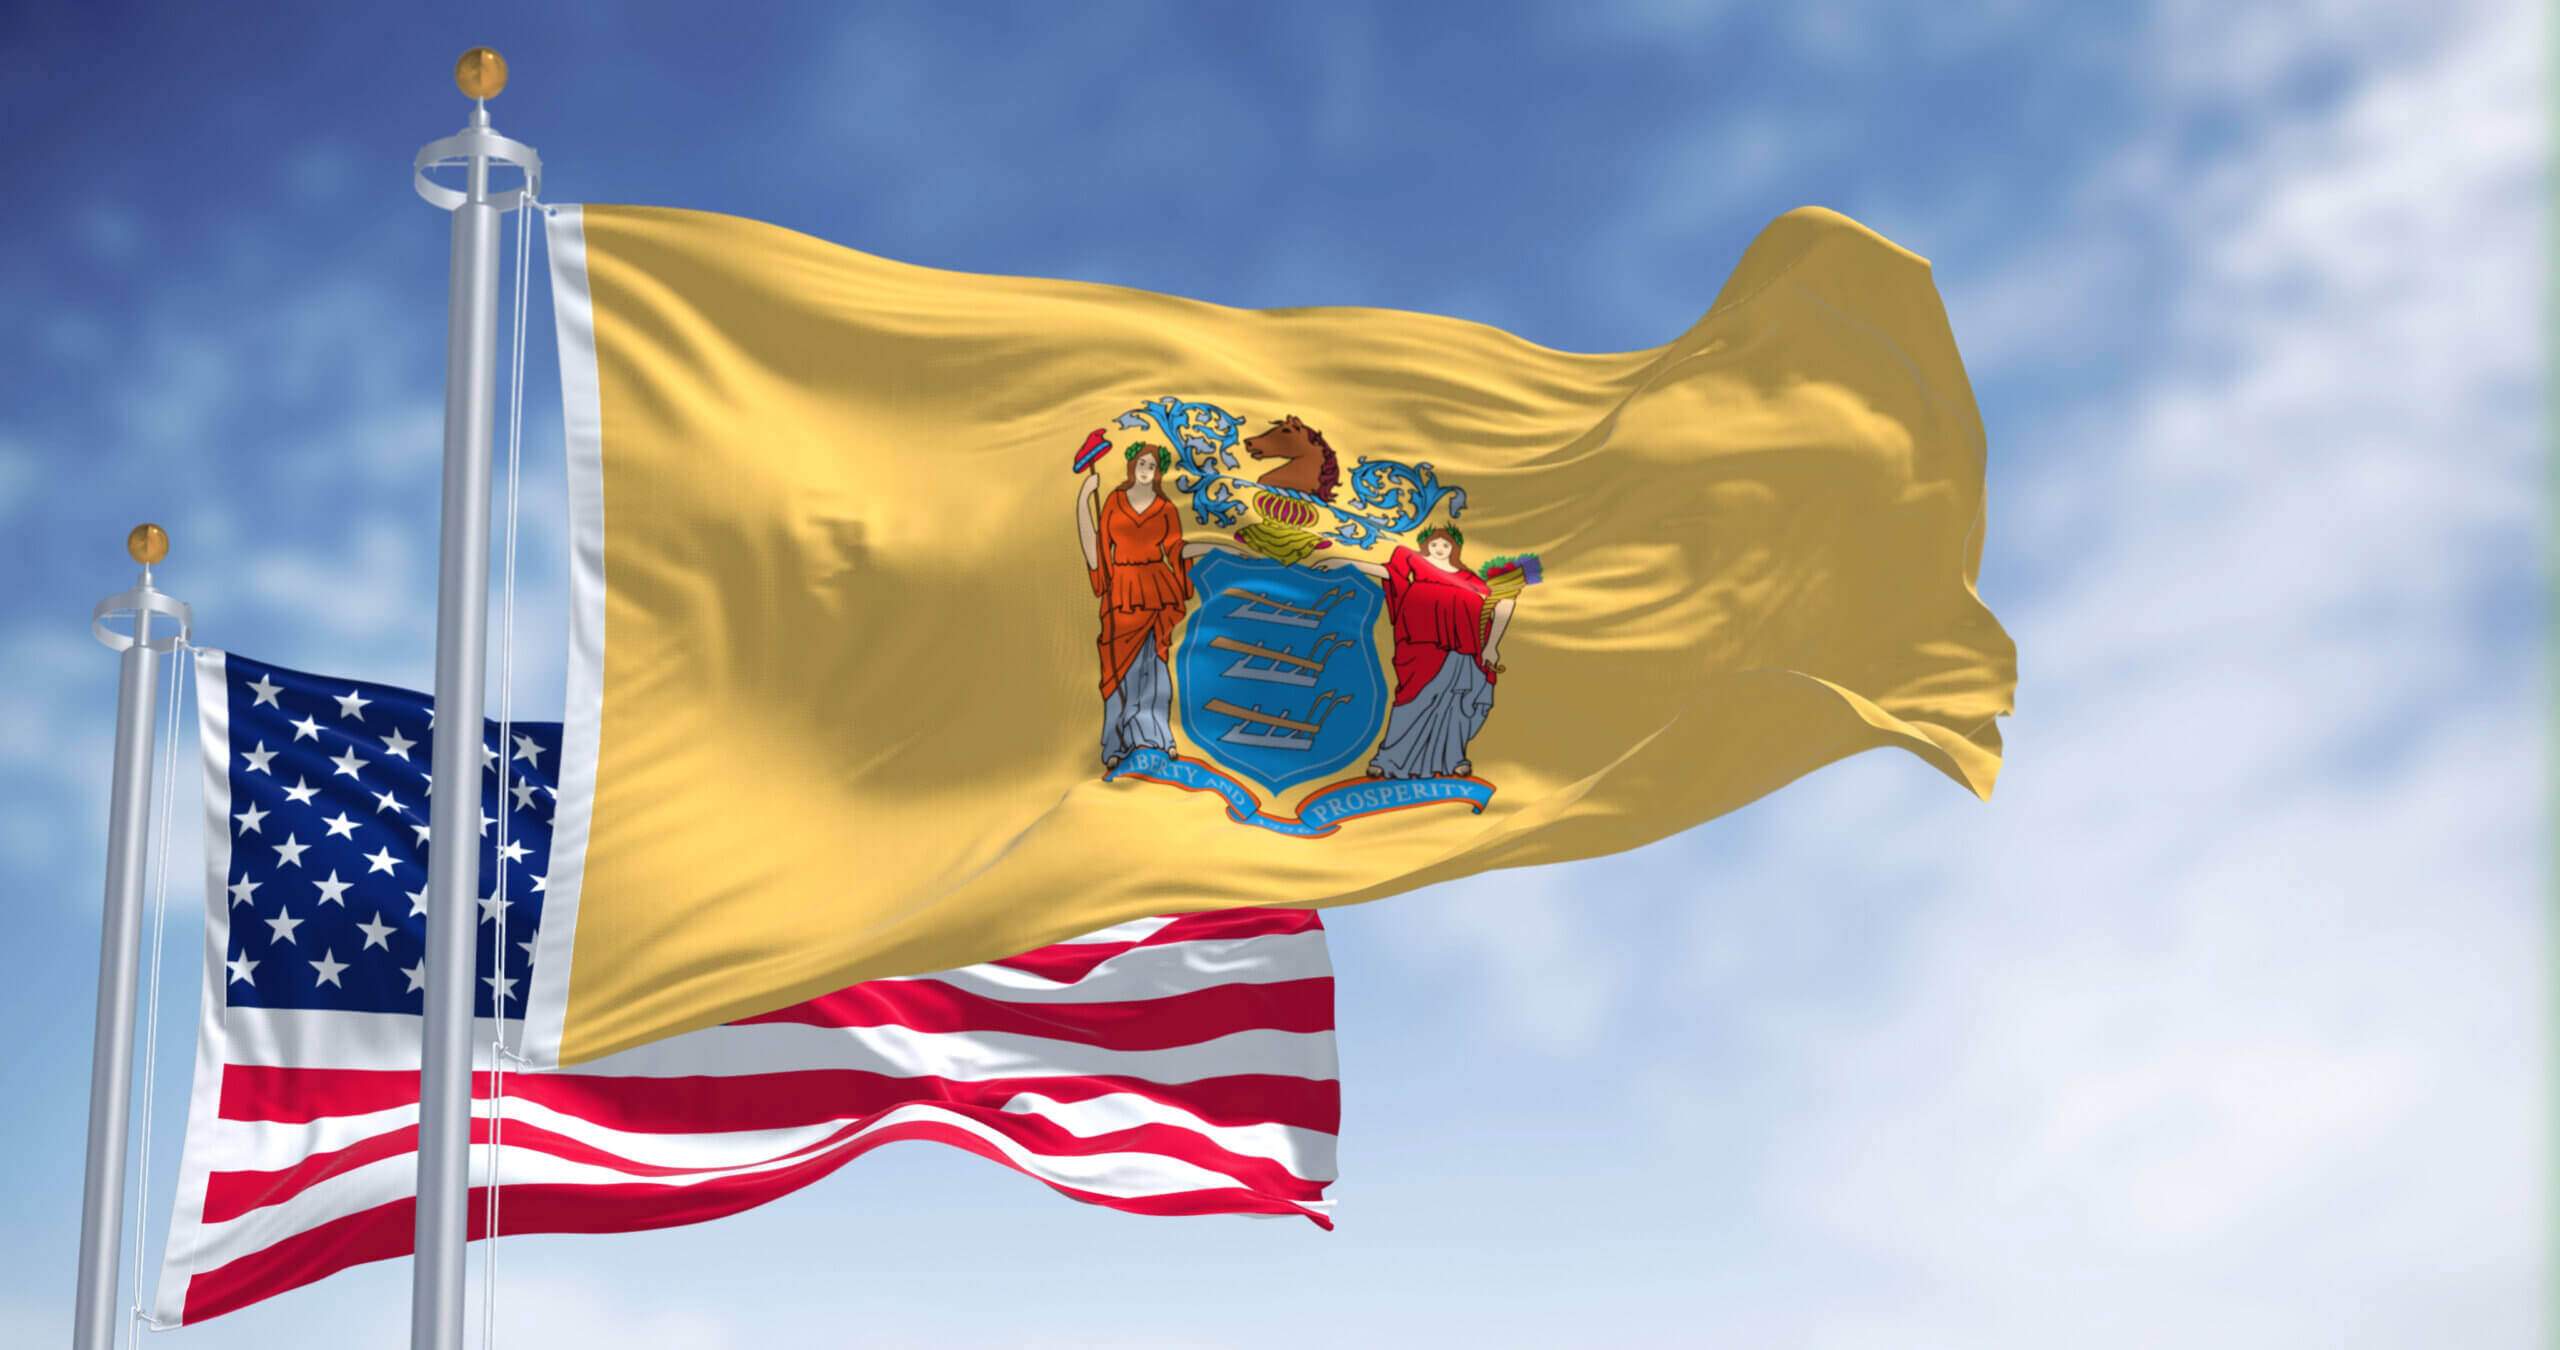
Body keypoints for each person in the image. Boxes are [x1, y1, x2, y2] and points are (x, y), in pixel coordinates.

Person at [1076, 442, 1236, 771]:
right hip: (1122, 590)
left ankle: (1157, 737)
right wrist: (1083, 499)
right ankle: (1115, 743)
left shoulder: (1164, 509)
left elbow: (1177, 550)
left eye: (1151, 465)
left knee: (1155, 664)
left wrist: (1219, 548)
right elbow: (1098, 548)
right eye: (1140, 463)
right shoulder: (1114, 502)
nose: (1145, 470)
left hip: (1155, 588)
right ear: (1131, 466)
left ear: (1158, 471)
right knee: (1118, 670)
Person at [1318, 524, 1516, 778]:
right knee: (1414, 699)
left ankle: (1454, 758)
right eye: (1434, 545)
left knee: (1456, 703)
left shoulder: (1470, 580)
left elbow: (1504, 602)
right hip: (1422, 645)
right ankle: (1389, 759)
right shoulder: (1418, 567)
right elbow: (1387, 573)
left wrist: (1492, 646)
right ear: (1425, 548)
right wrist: (1342, 561)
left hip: (1465, 650)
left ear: (1455, 549)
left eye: (1446, 545)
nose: (1440, 549)